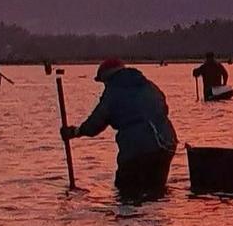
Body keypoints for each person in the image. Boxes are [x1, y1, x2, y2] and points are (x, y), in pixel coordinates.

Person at [63, 58, 177, 200]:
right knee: (156, 191)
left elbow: (96, 123)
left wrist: (76, 131)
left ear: (107, 78)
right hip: (166, 145)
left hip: (136, 150)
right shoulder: (148, 85)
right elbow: (163, 107)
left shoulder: (113, 92)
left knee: (126, 192)